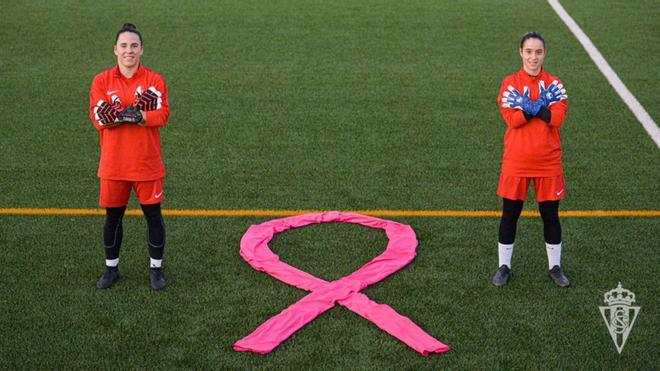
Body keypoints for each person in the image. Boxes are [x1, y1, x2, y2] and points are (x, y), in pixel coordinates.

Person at [89, 23, 170, 290]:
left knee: (153, 216)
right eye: (124, 46)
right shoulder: (101, 81)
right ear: (115, 50)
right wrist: (130, 114)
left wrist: (138, 115)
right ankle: (111, 270)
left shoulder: (154, 80)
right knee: (113, 218)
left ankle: (155, 270)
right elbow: (99, 118)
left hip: (147, 164)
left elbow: (162, 115)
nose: (129, 51)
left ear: (142, 49)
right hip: (113, 165)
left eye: (134, 45)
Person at [492, 32, 570, 288]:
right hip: (516, 160)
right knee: (509, 214)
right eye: (528, 51)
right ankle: (504, 266)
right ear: (521, 53)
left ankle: (555, 267)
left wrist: (529, 107)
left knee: (550, 215)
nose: (533, 57)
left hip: (548, 162)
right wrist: (539, 108)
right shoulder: (509, 83)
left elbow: (557, 118)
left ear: (544, 54)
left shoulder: (555, 83)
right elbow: (512, 120)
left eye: (538, 52)